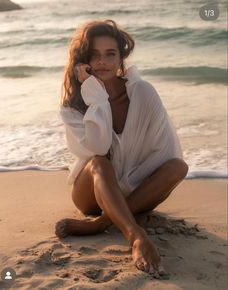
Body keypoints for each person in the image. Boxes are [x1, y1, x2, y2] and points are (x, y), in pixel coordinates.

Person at [56, 19, 188, 278]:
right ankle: (134, 235)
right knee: (99, 162)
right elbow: (99, 147)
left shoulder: (143, 92)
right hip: (93, 193)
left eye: (110, 54)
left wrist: (140, 182)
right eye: (94, 55)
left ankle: (101, 224)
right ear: (83, 60)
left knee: (178, 166)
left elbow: (164, 150)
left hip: (135, 188)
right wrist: (95, 96)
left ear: (121, 58)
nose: (102, 61)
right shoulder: (72, 105)